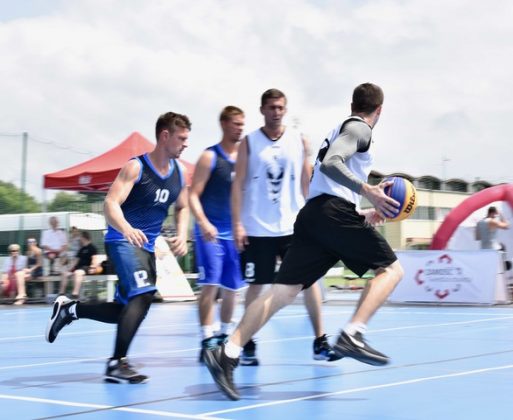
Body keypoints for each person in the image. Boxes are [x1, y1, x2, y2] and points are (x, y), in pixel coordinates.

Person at [204, 83, 404, 400]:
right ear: (378, 111)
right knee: (392, 271)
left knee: (282, 292)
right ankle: (353, 333)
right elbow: (331, 164)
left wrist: (362, 213)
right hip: (330, 214)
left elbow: (329, 184)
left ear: (352, 103)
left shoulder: (340, 127)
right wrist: (368, 191)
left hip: (316, 214)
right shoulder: (360, 129)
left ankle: (227, 352)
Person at [45, 111, 191, 384]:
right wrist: (127, 228)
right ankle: (116, 363)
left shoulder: (179, 174)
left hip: (145, 248)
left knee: (128, 308)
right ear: (165, 136)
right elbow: (110, 204)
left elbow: (183, 207)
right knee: (143, 294)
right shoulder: (136, 167)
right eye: (182, 138)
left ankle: (70, 310)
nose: (186, 144)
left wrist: (182, 233)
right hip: (121, 240)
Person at [231, 88, 337, 366]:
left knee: (310, 281)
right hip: (257, 228)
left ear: (285, 110)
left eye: (280, 108)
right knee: (256, 287)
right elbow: (238, 185)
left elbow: (307, 183)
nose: (276, 112)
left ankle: (320, 340)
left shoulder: (298, 140)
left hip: (292, 227)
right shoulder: (249, 143)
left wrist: (315, 218)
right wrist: (238, 224)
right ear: (263, 110)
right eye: (271, 108)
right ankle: (247, 342)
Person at [189, 106, 247, 362]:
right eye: (235, 123)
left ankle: (224, 337)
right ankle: (206, 340)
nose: (240, 128)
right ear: (224, 124)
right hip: (210, 232)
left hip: (233, 234)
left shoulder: (245, 159)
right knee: (210, 286)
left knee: (232, 289)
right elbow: (192, 196)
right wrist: (203, 223)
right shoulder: (209, 157)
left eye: (242, 124)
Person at [58, 231, 98, 299]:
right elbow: (76, 261)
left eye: (80, 237)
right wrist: (69, 270)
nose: (79, 239)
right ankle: (61, 294)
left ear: (83, 238)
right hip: (78, 268)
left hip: (87, 268)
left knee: (77, 272)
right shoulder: (81, 249)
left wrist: (93, 267)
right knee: (65, 273)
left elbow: (94, 259)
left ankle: (75, 294)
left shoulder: (92, 248)